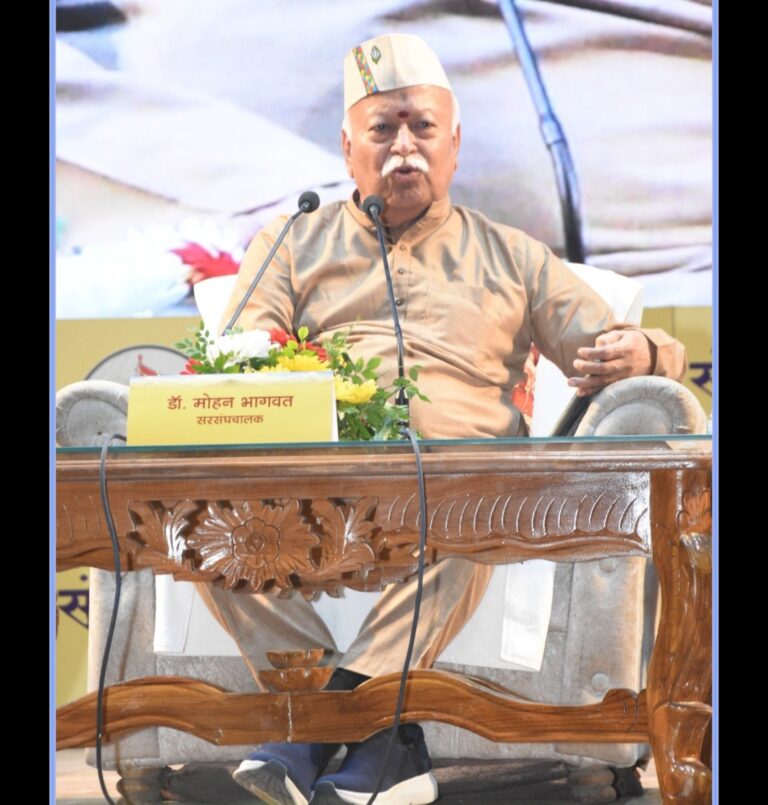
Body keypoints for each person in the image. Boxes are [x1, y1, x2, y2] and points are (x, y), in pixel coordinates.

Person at [205, 32, 686, 805]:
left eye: (422, 127)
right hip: (323, 488)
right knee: (197, 529)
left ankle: (312, 728)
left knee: (469, 508)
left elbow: (610, 345)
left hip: (467, 485)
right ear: (347, 148)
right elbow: (240, 363)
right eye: (382, 129)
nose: (404, 147)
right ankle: (385, 746)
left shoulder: (512, 255)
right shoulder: (293, 242)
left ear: (454, 143)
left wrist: (648, 351)